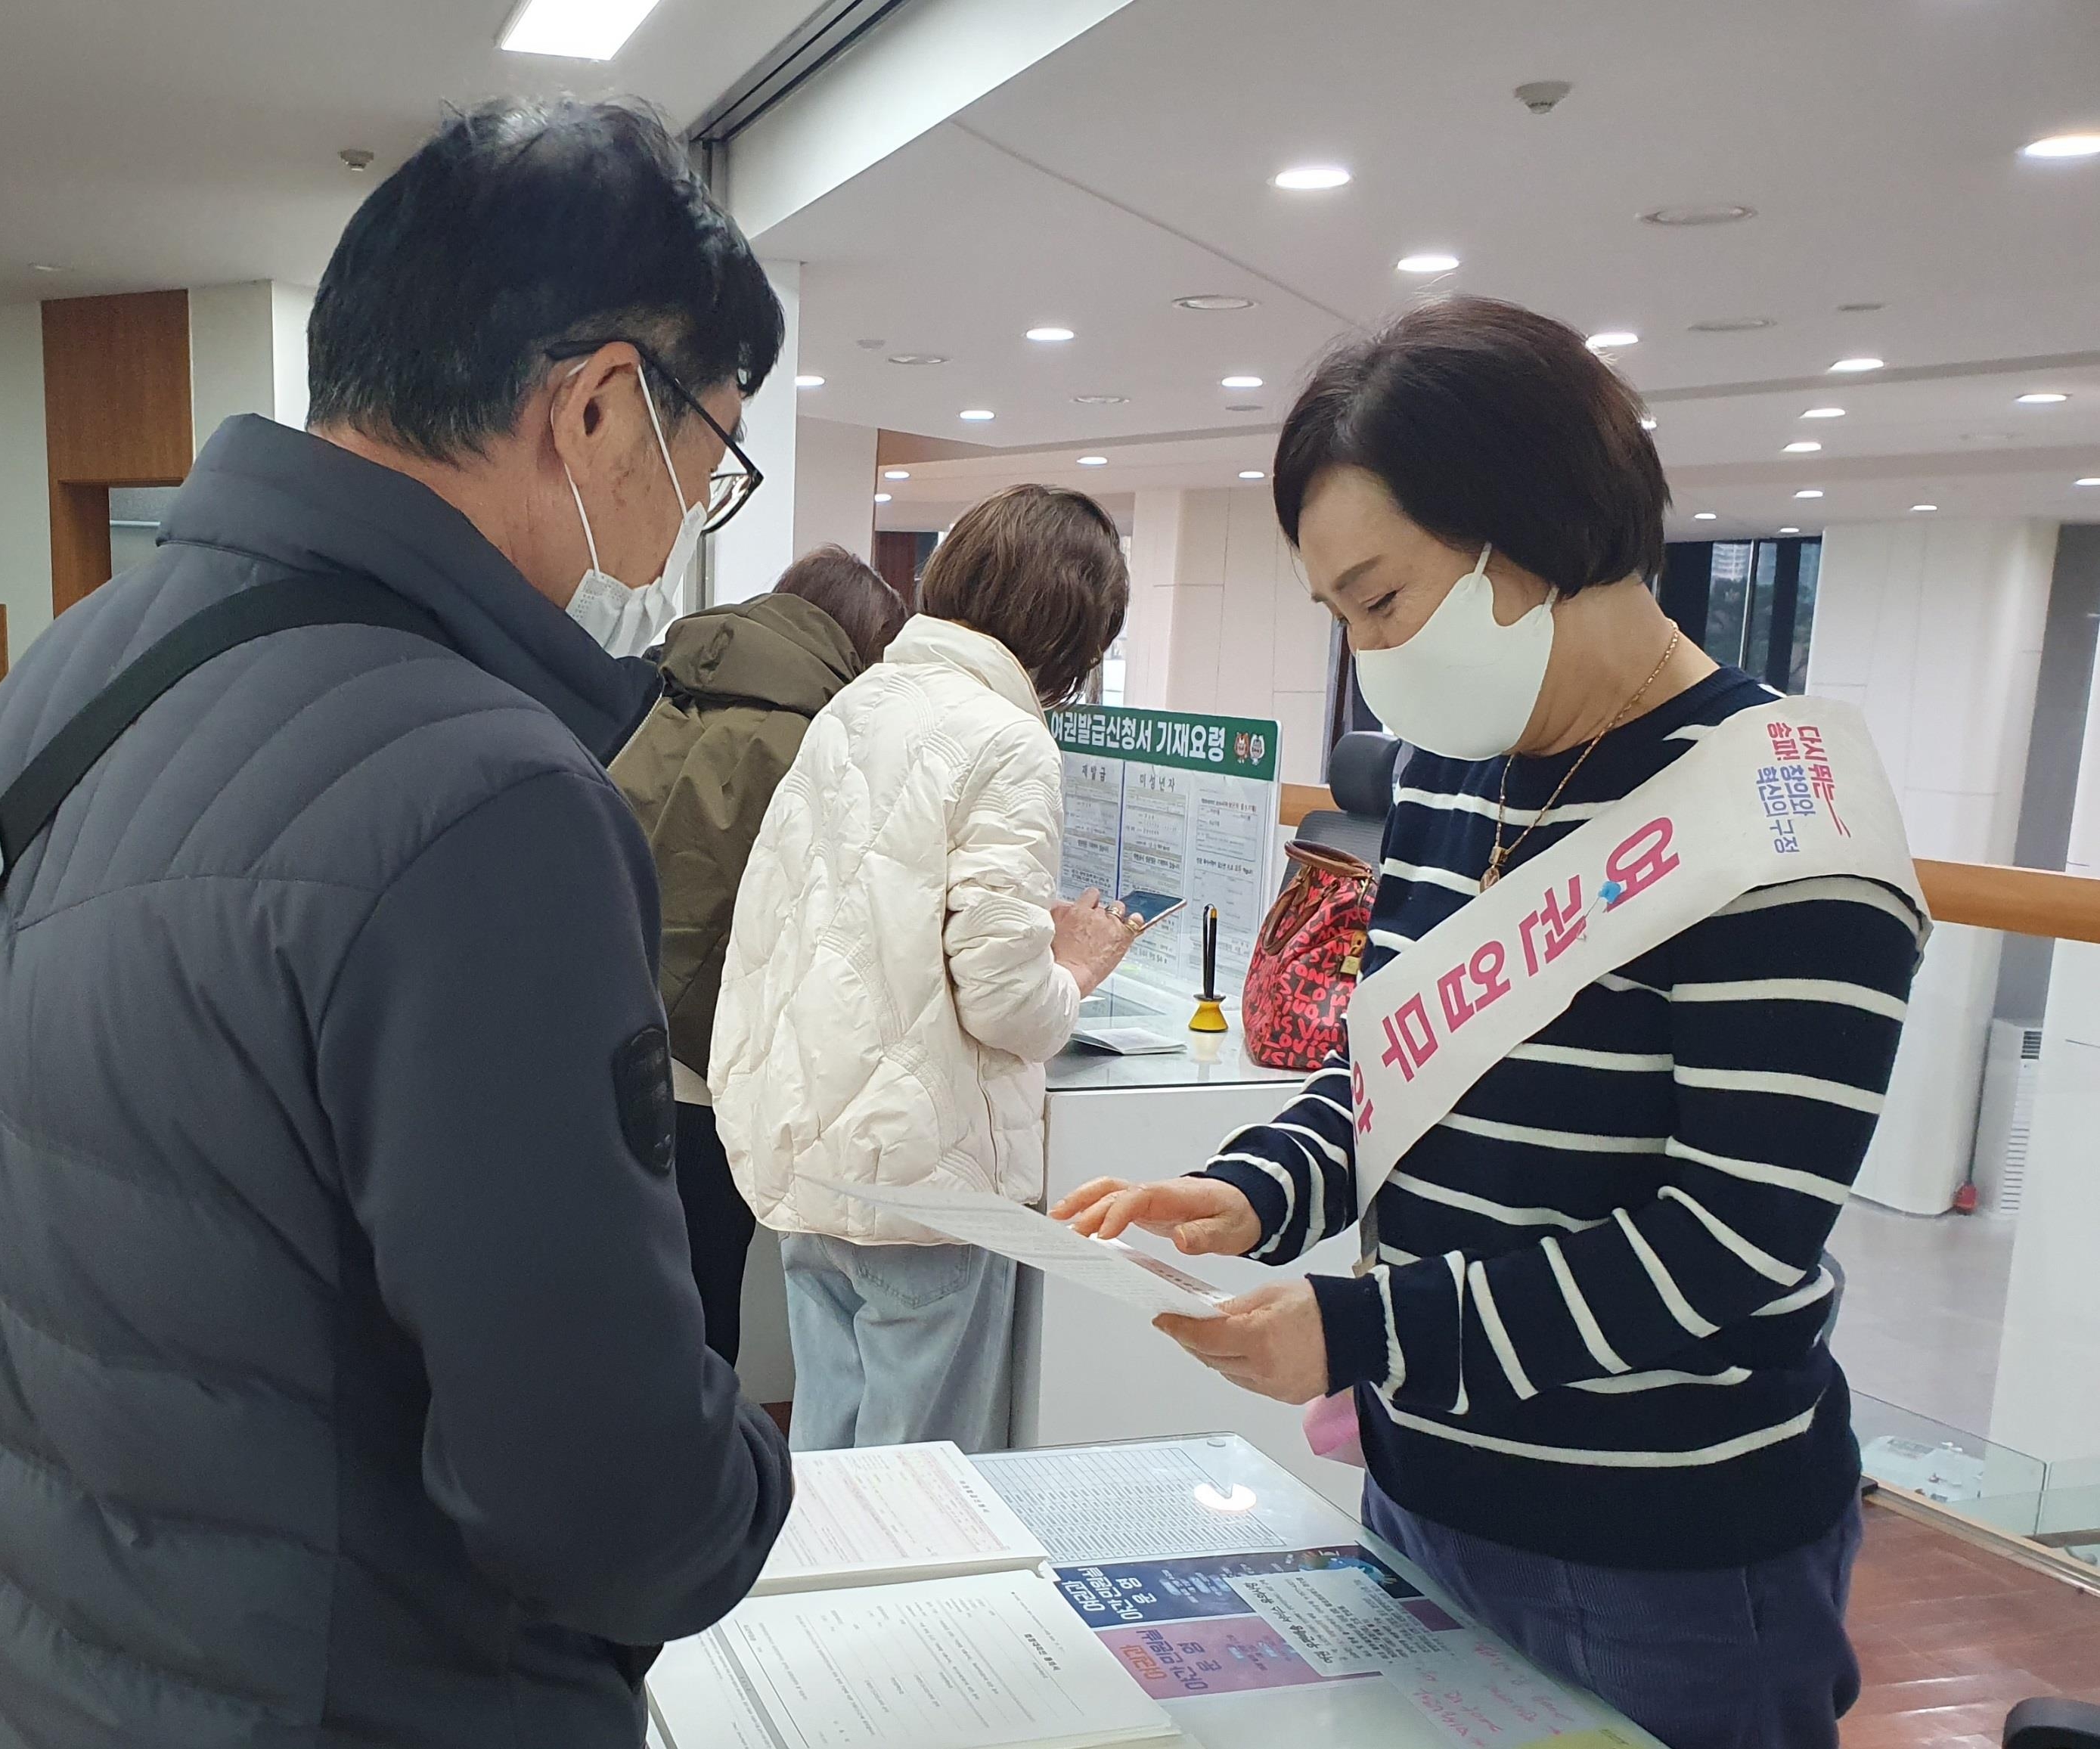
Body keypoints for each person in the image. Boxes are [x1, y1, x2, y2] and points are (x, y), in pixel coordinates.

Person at [0, 100, 792, 1749]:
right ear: (599, 405)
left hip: (66, 1674)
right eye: (704, 459)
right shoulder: (487, 800)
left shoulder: (62, 684)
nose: (685, 522)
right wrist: (751, 1468)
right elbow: (601, 1493)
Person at [1056, 296, 1924, 1749]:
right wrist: (1245, 1191)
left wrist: (1357, 1325)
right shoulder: (1456, 777)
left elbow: (1721, 1243)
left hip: (1671, 1556)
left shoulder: (1780, 816)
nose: (1367, 655)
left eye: (1382, 602)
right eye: (1338, 615)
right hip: (1421, 1499)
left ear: (1525, 530)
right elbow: (1382, 1068)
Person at [713, 485, 1140, 1453]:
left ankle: (812, 1610)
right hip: (927, 1180)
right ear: (1073, 627)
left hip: (814, 1146)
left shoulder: (856, 704)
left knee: (825, 1456)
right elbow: (1002, 1001)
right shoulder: (1005, 738)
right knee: (925, 1480)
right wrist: (1071, 967)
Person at [610, 546, 908, 1365]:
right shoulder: (815, 741)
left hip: (608, 1040)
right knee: (704, 1320)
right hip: (715, 1072)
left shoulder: (666, 690)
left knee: (629, 1309)